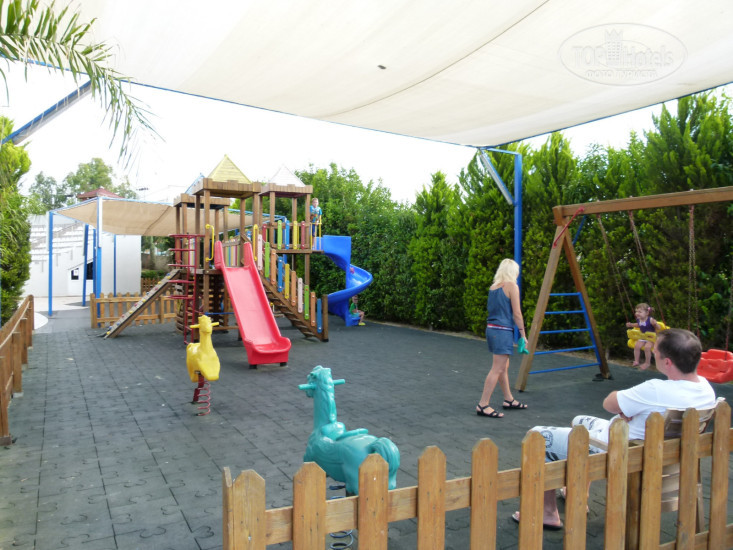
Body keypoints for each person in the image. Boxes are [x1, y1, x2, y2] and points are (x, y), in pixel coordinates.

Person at [512, 328, 716, 530]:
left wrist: (626, 409)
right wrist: (634, 411)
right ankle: (579, 494)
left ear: (668, 362)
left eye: (656, 350)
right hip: (658, 452)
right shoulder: (706, 390)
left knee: (538, 435)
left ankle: (548, 512)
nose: (653, 352)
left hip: (617, 450)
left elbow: (609, 403)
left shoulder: (655, 389)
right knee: (578, 421)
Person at [475, 258, 529, 419]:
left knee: (503, 367)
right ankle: (483, 404)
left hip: (491, 330)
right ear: (513, 272)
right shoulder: (512, 286)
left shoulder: (493, 287)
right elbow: (517, 313)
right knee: (497, 368)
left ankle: (508, 399)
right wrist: (523, 335)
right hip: (502, 331)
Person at [625, 302, 659, 369]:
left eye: (640, 312)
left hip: (651, 337)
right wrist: (631, 325)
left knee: (647, 348)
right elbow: (638, 325)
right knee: (636, 346)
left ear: (647, 313)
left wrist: (655, 324)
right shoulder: (638, 319)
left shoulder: (650, 320)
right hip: (643, 336)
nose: (637, 313)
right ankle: (636, 361)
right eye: (636, 311)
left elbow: (658, 328)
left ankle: (647, 363)